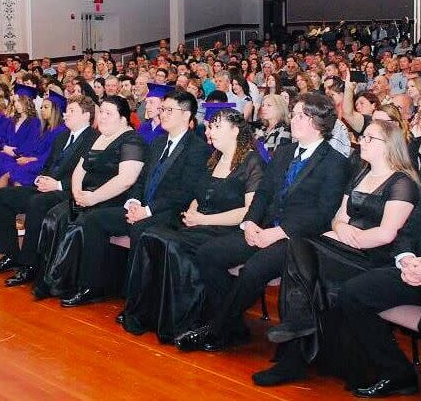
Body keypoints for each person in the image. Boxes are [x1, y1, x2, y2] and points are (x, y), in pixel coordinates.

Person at [177, 93, 349, 353]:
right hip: (262, 229)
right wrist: (249, 224)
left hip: (296, 240)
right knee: (208, 254)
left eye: (301, 115)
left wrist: (278, 233)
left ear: (318, 121)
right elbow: (263, 194)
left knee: (253, 270)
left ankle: (217, 328)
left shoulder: (335, 162)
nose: (294, 118)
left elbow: (322, 214)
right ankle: (233, 326)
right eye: (295, 112)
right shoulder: (284, 152)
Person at [254, 120, 419, 387]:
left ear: (388, 146)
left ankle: (296, 343)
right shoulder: (360, 174)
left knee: (297, 249)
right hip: (344, 247)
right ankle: (299, 336)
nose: (361, 142)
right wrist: (341, 231)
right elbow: (338, 218)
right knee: (300, 256)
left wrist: (352, 239)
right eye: (362, 137)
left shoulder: (403, 183)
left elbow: (388, 234)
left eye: (369, 138)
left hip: (374, 257)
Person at [59, 91, 211, 308]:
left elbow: (184, 193)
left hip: (170, 212)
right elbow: (141, 180)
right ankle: (92, 286)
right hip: (143, 208)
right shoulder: (158, 143)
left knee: (140, 227)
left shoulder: (198, 149)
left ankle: (134, 301)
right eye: (162, 109)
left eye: (169, 110)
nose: (163, 114)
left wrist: (147, 211)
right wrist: (134, 203)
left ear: (187, 116)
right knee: (93, 219)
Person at [124, 109, 263, 343]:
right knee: (151, 235)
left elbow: (248, 211)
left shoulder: (251, 161)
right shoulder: (215, 158)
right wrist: (192, 211)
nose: (209, 132)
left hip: (228, 229)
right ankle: (148, 312)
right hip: (201, 224)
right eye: (209, 127)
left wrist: (203, 219)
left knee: (168, 241)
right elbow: (199, 194)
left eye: (216, 127)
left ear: (235, 131)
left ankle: (185, 320)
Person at [336, 176, 421, 399]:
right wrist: (406, 258)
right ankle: (397, 372)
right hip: (415, 269)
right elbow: (409, 232)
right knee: (353, 293)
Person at [33, 95, 147, 300]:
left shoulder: (132, 140)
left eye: (108, 113)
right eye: (101, 112)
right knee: (56, 216)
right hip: (86, 196)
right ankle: (48, 279)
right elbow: (80, 170)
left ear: (123, 119)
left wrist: (93, 198)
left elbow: (126, 180)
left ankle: (83, 285)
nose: (101, 117)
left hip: (114, 199)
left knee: (81, 223)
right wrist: (77, 193)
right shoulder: (99, 137)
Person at [0, 96, 98, 286]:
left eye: (71, 111)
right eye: (66, 110)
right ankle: (10, 254)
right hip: (47, 186)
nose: (65, 115)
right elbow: (48, 166)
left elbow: (90, 177)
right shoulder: (62, 137)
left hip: (69, 192)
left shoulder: (93, 140)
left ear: (86, 115)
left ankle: (29, 265)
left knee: (36, 202)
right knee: (1, 196)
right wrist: (40, 179)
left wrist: (59, 185)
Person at [0, 93, 68, 189]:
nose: (42, 110)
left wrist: (28, 159)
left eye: (46, 107)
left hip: (43, 164)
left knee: (12, 174)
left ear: (56, 110)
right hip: (33, 160)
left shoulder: (61, 131)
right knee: (8, 170)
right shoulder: (46, 129)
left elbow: (50, 155)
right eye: (41, 107)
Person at [0, 84, 42, 188]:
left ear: (28, 101)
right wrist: (4, 147)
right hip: (5, 157)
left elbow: (29, 145)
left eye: (20, 101)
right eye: (15, 101)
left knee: (6, 167)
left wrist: (13, 152)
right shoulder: (10, 121)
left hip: (20, 159)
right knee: (0, 158)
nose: (17, 104)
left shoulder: (34, 122)